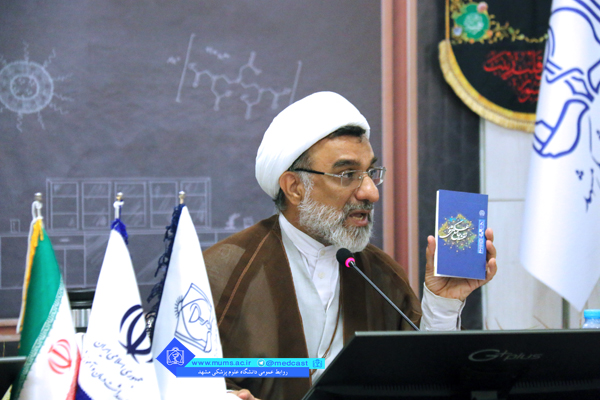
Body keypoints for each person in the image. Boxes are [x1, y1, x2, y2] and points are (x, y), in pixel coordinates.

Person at [204, 91, 497, 400]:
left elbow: (424, 379)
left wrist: (442, 302)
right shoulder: (224, 272)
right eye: (347, 175)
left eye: (371, 173)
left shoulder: (379, 274)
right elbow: (178, 368)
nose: (371, 192)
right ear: (294, 187)